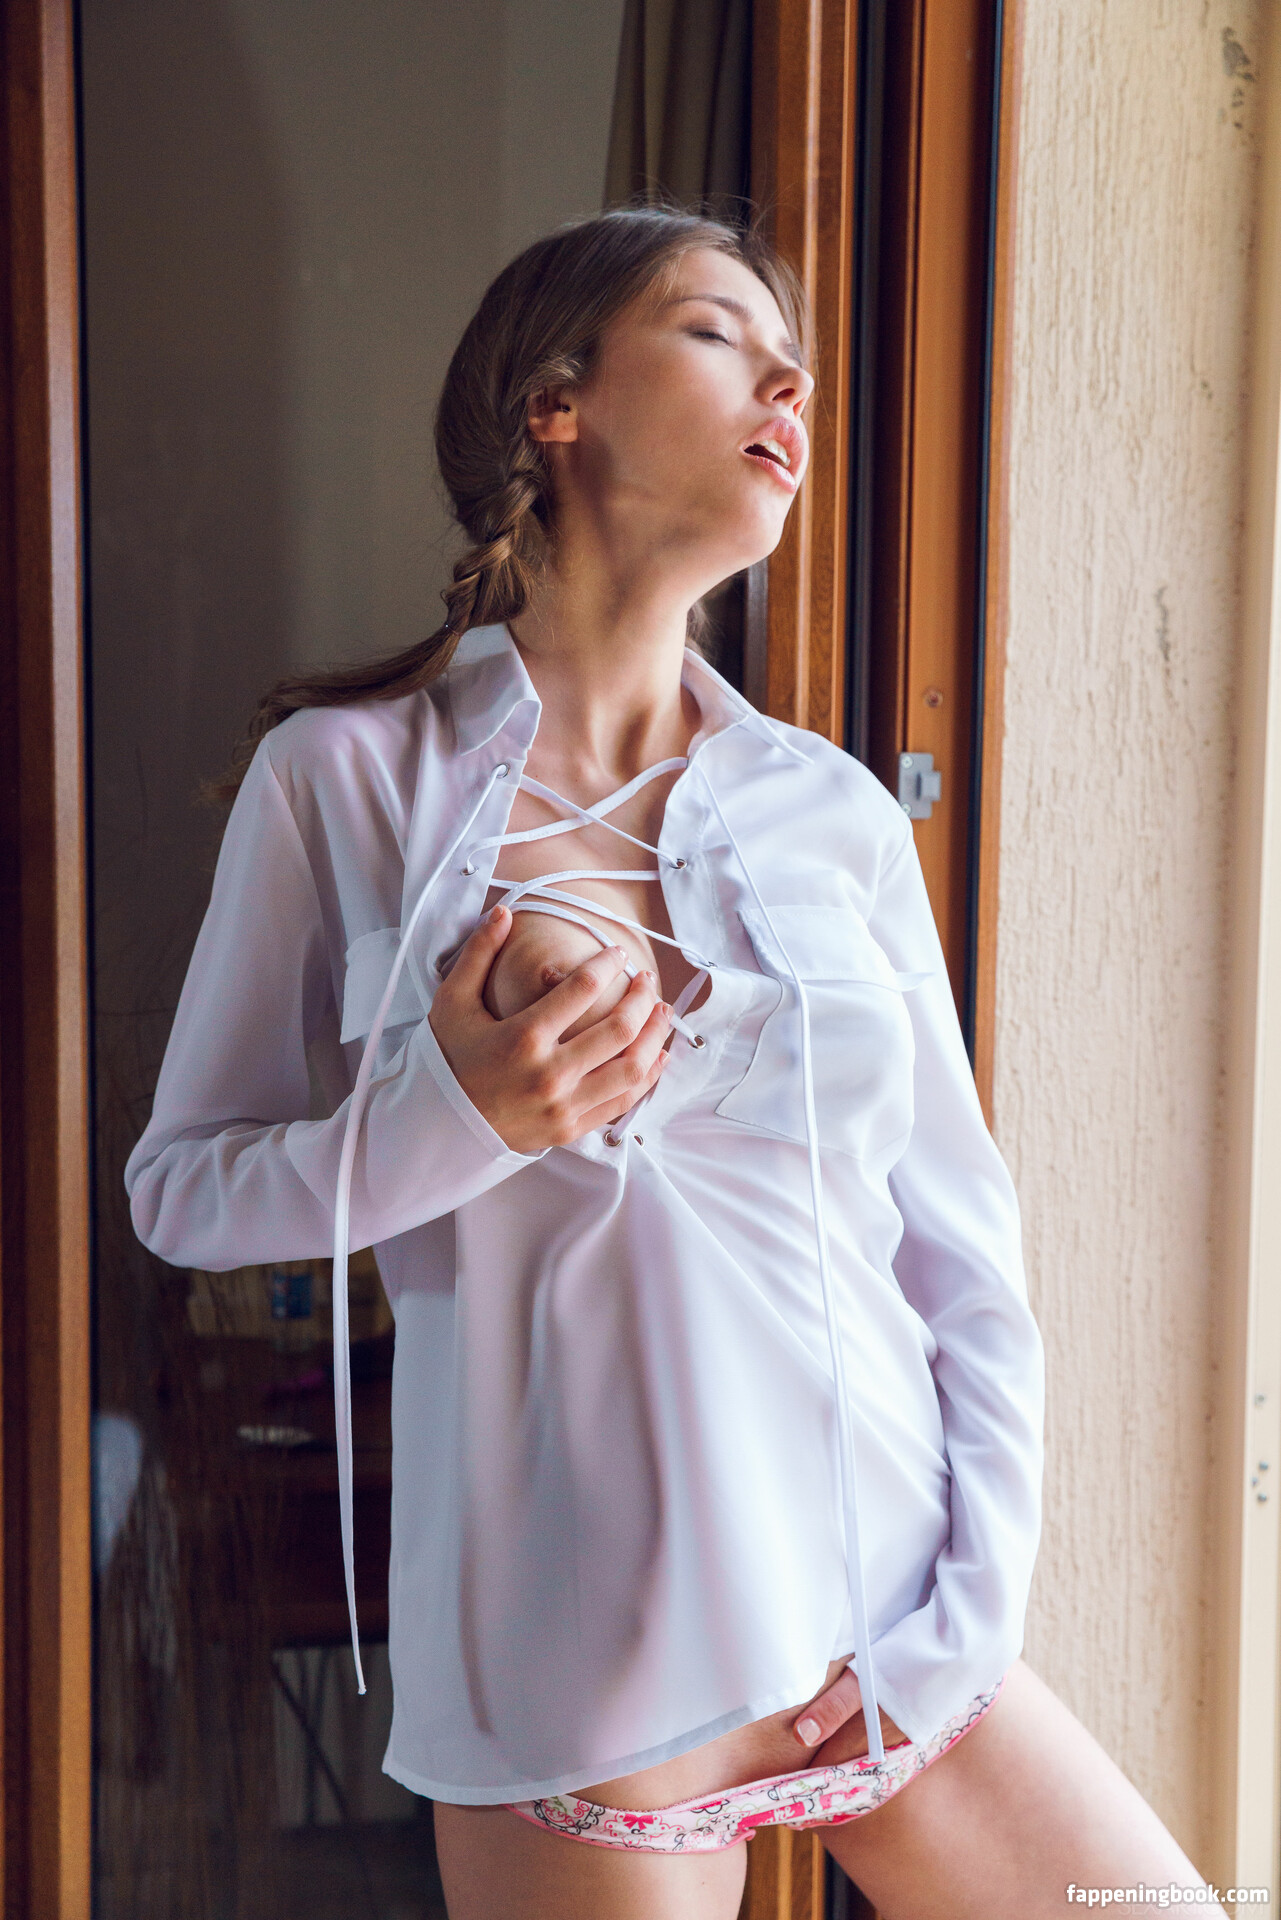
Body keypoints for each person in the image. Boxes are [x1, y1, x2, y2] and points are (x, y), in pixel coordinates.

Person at [125, 208, 1222, 1917]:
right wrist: (457, 1118)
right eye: (719, 333)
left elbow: (961, 1248)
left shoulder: (828, 808)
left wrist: (972, 1610)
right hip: (584, 1672)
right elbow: (183, 1194)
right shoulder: (346, 780)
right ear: (553, 404)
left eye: (793, 360)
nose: (791, 384)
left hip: (893, 1615)